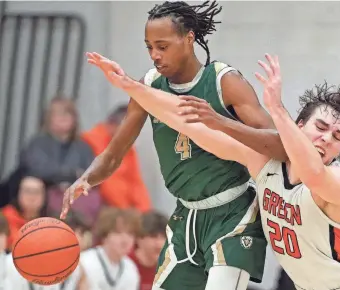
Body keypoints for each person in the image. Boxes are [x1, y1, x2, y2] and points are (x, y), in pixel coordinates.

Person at [85, 52, 340, 289]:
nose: (326, 138)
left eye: (337, 137)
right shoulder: (265, 163)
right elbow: (188, 124)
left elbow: (313, 174)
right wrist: (131, 86)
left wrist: (276, 110)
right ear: (300, 126)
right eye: (321, 127)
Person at [61, 2, 285, 290]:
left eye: (162, 46)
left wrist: (220, 121)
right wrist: (86, 178)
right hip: (185, 215)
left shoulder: (223, 81)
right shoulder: (150, 85)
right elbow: (114, 154)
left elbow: (279, 145)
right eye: (149, 47)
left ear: (189, 38)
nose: (155, 55)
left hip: (233, 212)